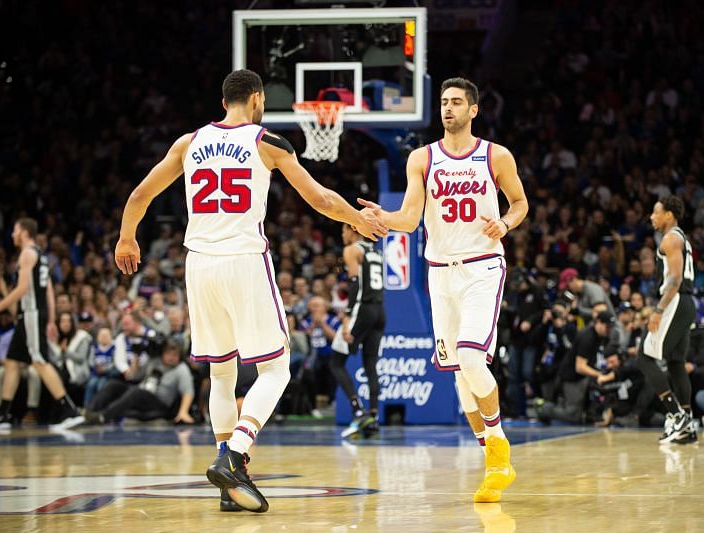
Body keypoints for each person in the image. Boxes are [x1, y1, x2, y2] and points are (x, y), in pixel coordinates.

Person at [114, 69, 387, 513]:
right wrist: (357, 221)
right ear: (257, 99)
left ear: (224, 102)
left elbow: (140, 195)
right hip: (243, 260)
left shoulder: (188, 143)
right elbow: (319, 199)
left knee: (221, 375)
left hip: (198, 264)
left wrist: (128, 238)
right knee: (276, 368)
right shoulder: (267, 143)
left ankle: (230, 484)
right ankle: (234, 455)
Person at [358, 77, 528, 503]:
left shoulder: (495, 155)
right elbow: (411, 218)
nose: (448, 108)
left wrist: (505, 224)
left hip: (482, 266)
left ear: (474, 109)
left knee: (471, 356)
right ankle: (494, 461)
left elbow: (521, 203)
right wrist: (383, 218)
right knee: (459, 377)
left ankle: (498, 446)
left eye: (456, 102)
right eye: (444, 102)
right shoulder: (422, 158)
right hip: (440, 271)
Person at [0, 218, 84, 430]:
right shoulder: (41, 256)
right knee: (12, 362)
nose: (12, 234)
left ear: (25, 232)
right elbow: (50, 290)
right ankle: (4, 414)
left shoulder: (27, 254)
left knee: (39, 361)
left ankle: (68, 411)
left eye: (15, 230)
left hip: (32, 313)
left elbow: (23, 288)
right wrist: (51, 318)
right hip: (32, 314)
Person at [637, 197, 698, 444]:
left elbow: (674, 279)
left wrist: (658, 310)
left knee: (644, 357)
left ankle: (676, 414)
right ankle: (687, 425)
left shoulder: (670, 238)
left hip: (675, 301)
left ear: (669, 215)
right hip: (686, 303)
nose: (652, 216)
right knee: (675, 363)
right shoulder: (681, 237)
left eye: (656, 212)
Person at [330, 223, 386, 439]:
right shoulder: (376, 250)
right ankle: (373, 418)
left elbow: (355, 284)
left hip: (361, 310)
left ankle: (358, 410)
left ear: (352, 230)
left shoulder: (352, 249)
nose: (342, 235)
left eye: (343, 230)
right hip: (380, 310)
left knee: (336, 362)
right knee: (370, 364)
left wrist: (346, 319)